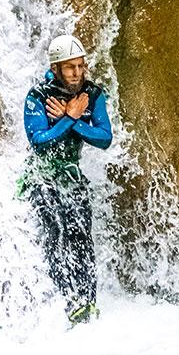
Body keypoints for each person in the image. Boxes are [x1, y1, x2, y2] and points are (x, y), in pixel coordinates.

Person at [22, 34, 112, 325]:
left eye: (81, 66)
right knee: (55, 236)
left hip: (72, 175)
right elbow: (39, 141)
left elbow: (104, 138)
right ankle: (68, 301)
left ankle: (88, 302)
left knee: (81, 237)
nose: (77, 73)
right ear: (57, 67)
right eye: (70, 67)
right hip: (41, 176)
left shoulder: (92, 94)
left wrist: (72, 118)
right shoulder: (38, 96)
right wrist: (69, 118)